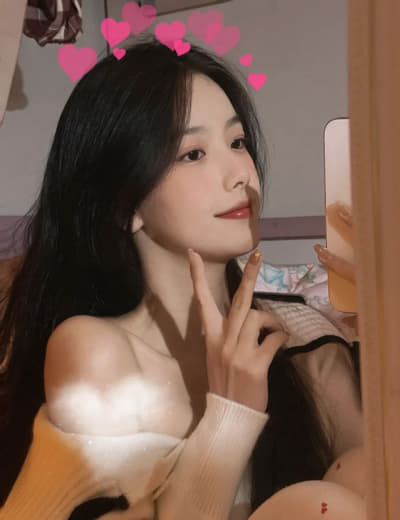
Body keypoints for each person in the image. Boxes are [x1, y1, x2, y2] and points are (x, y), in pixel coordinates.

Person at [0, 35, 364, 519]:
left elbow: (398, 481)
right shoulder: (98, 352)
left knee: (359, 473)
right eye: (193, 153)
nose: (240, 174)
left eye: (237, 142)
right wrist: (231, 416)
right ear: (124, 204)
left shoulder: (305, 343)